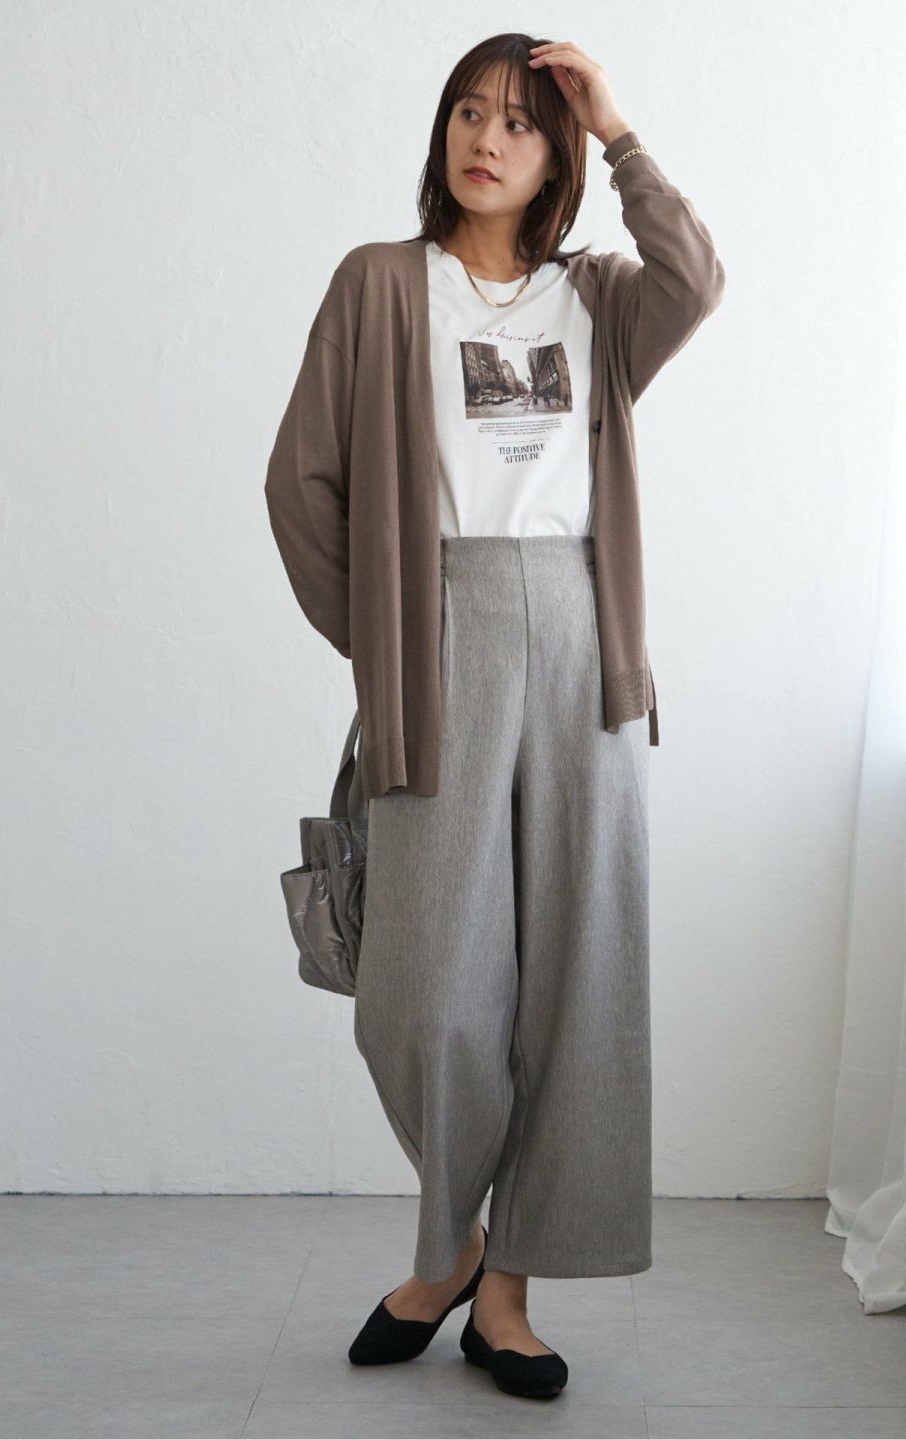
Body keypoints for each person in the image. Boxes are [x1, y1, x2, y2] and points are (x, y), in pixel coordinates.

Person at [265, 32, 724, 1400]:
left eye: (522, 122)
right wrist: (387, 637)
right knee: (419, 992)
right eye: (470, 113)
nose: (488, 138)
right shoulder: (379, 284)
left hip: (584, 635)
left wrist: (621, 128)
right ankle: (452, 1241)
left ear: (556, 154)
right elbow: (301, 483)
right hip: (440, 633)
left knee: (579, 971)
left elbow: (700, 276)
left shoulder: (603, 296)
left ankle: (506, 1290)